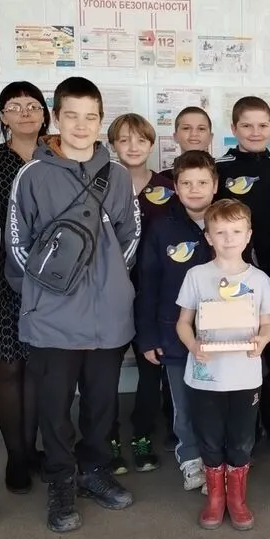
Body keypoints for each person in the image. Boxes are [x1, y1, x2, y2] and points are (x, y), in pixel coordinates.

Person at [6, 76, 141, 533]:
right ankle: (61, 479)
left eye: (90, 117)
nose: (81, 126)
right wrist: (46, 292)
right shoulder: (32, 175)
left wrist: (108, 283)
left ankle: (95, 470)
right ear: (56, 118)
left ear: (100, 120)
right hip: (53, 316)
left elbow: (130, 236)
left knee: (102, 402)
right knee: (55, 405)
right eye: (71, 116)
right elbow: (18, 243)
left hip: (107, 316)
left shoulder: (117, 175)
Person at [175, 199, 270, 530]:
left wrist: (262, 340)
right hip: (205, 376)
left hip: (245, 376)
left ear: (248, 235)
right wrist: (193, 345)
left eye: (235, 231)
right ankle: (215, 498)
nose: (228, 238)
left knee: (242, 439)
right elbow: (183, 323)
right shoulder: (196, 276)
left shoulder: (259, 280)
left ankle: (237, 498)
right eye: (220, 232)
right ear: (208, 237)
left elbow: (267, 325)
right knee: (209, 437)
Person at [0, 81, 50, 494]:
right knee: (8, 365)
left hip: (50, 276)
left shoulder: (55, 157)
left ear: (45, 114)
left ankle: (33, 448)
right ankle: (17, 456)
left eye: (33, 105)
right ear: (2, 116)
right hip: (2, 274)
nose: (24, 113)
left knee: (37, 365)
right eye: (15, 106)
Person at [216, 96, 270, 453]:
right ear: (234, 129)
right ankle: (243, 431)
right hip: (235, 279)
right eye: (247, 125)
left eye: (262, 125)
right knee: (239, 352)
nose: (255, 132)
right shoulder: (220, 168)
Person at [134, 150, 218, 493]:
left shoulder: (229, 221)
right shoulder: (161, 227)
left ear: (215, 185)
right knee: (184, 403)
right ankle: (191, 459)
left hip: (223, 333)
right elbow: (148, 283)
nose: (194, 190)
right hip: (174, 333)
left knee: (218, 401)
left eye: (202, 183)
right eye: (186, 183)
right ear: (176, 187)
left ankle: (218, 461)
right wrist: (148, 336)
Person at [105, 113, 173, 474]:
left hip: (153, 294)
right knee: (104, 372)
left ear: (151, 145)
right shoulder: (100, 186)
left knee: (151, 368)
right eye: (124, 139)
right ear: (112, 145)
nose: (133, 147)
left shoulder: (168, 188)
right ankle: (108, 438)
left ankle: (142, 434)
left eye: (141, 140)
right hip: (109, 294)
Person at [158, 106, 214, 181]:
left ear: (210, 137)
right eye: (186, 128)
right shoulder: (163, 178)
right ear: (175, 136)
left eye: (201, 128)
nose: (194, 134)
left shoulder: (223, 173)